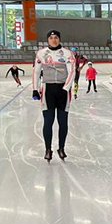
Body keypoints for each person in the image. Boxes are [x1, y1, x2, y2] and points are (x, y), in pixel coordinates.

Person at [32, 29, 76, 162]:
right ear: (48, 40)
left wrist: (66, 88)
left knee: (63, 122)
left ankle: (61, 148)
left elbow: (72, 71)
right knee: (48, 121)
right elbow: (36, 72)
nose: (54, 40)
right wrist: (35, 89)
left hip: (63, 90)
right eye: (51, 38)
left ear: (59, 39)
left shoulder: (68, 53)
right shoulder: (41, 53)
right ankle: (47, 149)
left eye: (56, 37)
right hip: (47, 90)